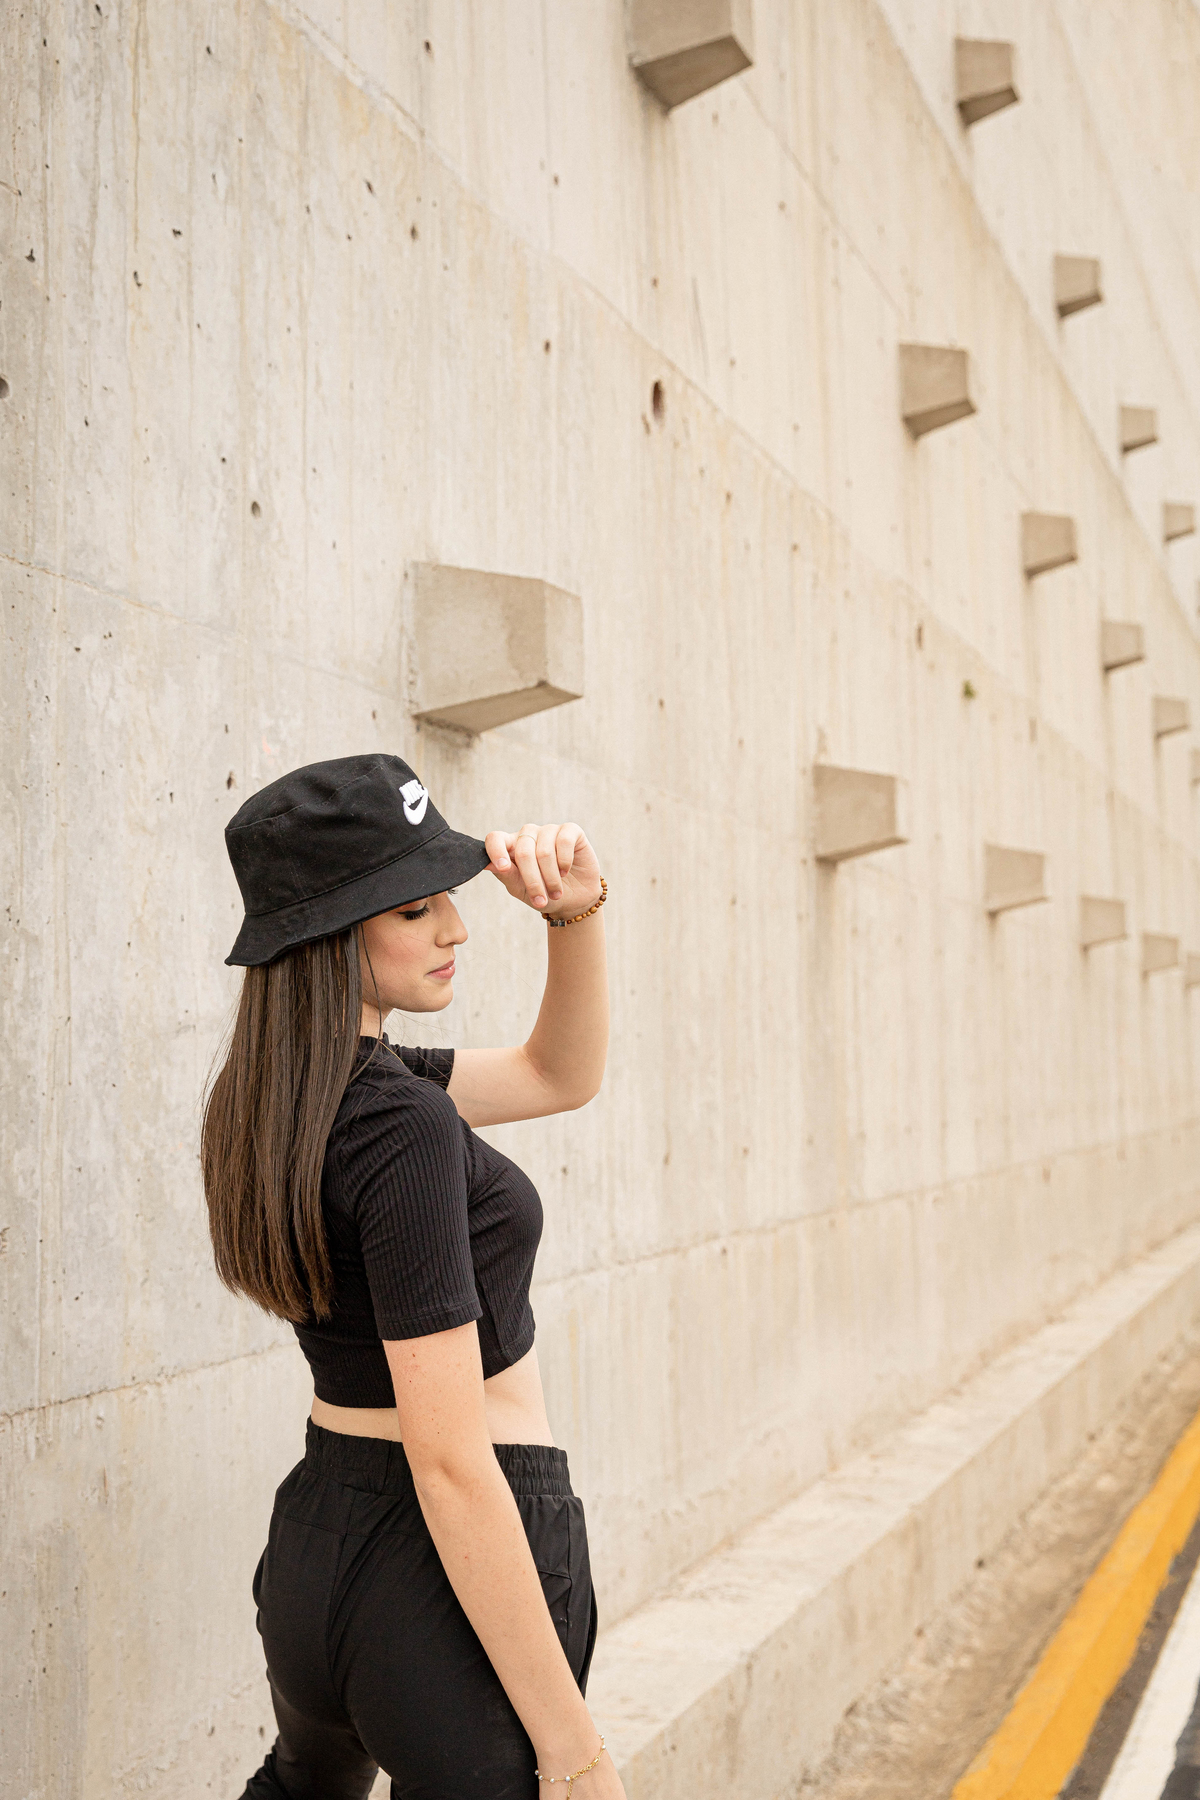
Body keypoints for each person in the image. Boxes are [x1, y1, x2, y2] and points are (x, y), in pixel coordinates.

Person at [200, 753, 624, 1800]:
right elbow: (448, 1461)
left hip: (313, 1547)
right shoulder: (401, 1123)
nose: (458, 929)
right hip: (438, 1565)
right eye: (416, 907)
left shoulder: (273, 1094)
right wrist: (576, 1755)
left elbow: (555, 1076)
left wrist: (574, 920)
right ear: (337, 929)